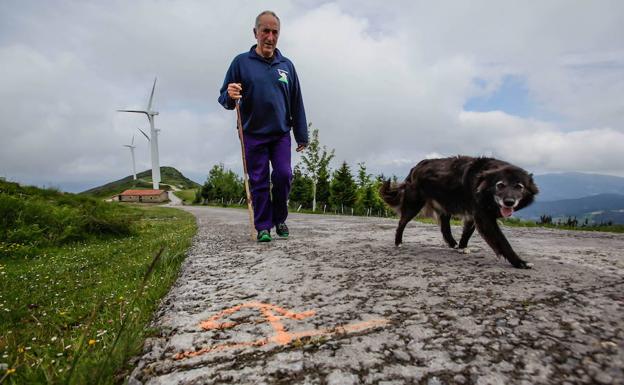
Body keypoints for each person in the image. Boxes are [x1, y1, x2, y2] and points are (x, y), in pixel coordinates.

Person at [218, 10, 308, 242]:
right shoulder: (241, 63)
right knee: (258, 180)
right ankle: (263, 227)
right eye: (265, 31)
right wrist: (230, 95)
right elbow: (225, 99)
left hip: (280, 133)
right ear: (255, 33)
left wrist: (302, 135)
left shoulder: (286, 66)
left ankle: (279, 218)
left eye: (274, 32)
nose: (270, 36)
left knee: (284, 175)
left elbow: (296, 100)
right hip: (252, 133)